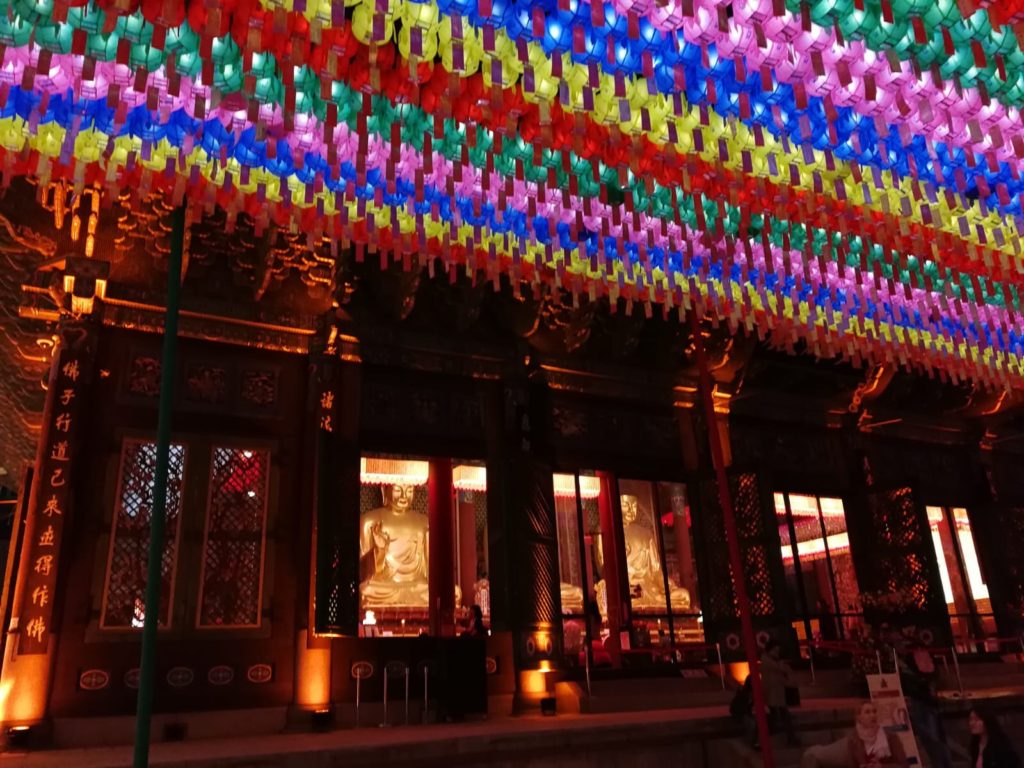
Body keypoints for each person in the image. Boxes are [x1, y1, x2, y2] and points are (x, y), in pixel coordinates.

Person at [894, 627, 952, 768]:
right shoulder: (912, 658)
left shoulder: (917, 657)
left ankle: (942, 764)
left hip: (924, 699)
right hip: (923, 698)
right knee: (932, 736)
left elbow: (929, 673)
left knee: (933, 737)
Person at [761, 638, 800, 746]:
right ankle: (790, 738)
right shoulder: (768, 661)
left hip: (776, 693)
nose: (776, 653)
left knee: (776, 716)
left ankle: (769, 735)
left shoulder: (771, 661)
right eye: (775, 651)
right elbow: (780, 670)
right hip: (773, 693)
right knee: (783, 716)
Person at [847, 700, 907, 767]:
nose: (873, 715)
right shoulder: (853, 739)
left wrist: (882, 767)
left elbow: (904, 765)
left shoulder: (890, 735)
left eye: (874, 711)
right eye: (867, 712)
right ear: (859, 717)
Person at [730, 675, 758, 749]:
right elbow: (739, 708)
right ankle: (749, 743)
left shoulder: (751, 694)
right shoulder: (743, 694)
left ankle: (753, 742)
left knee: (754, 722)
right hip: (739, 714)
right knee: (752, 724)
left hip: (744, 714)